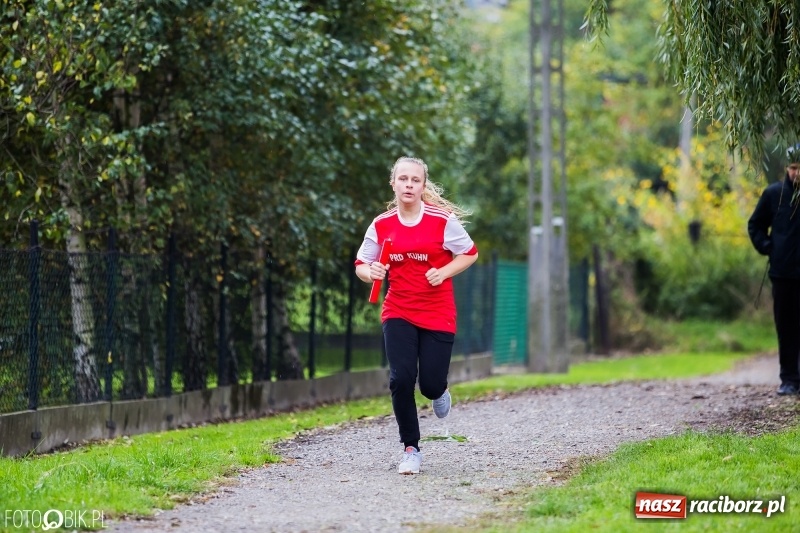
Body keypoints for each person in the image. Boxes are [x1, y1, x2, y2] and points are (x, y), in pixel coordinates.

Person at [354, 156, 479, 474]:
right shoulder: (382, 224)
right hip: (398, 309)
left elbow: (470, 253)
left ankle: (440, 391)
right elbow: (361, 264)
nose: (409, 185)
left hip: (438, 311)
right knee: (400, 379)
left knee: (430, 384)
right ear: (393, 183)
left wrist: (444, 270)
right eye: (403, 179)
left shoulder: (441, 220)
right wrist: (373, 271)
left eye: (415, 180)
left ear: (423, 186)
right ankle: (411, 448)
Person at [748, 144, 800, 396]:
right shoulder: (774, 195)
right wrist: (770, 247)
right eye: (793, 168)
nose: (797, 173)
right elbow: (755, 225)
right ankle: (789, 380)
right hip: (783, 275)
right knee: (787, 327)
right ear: (787, 169)